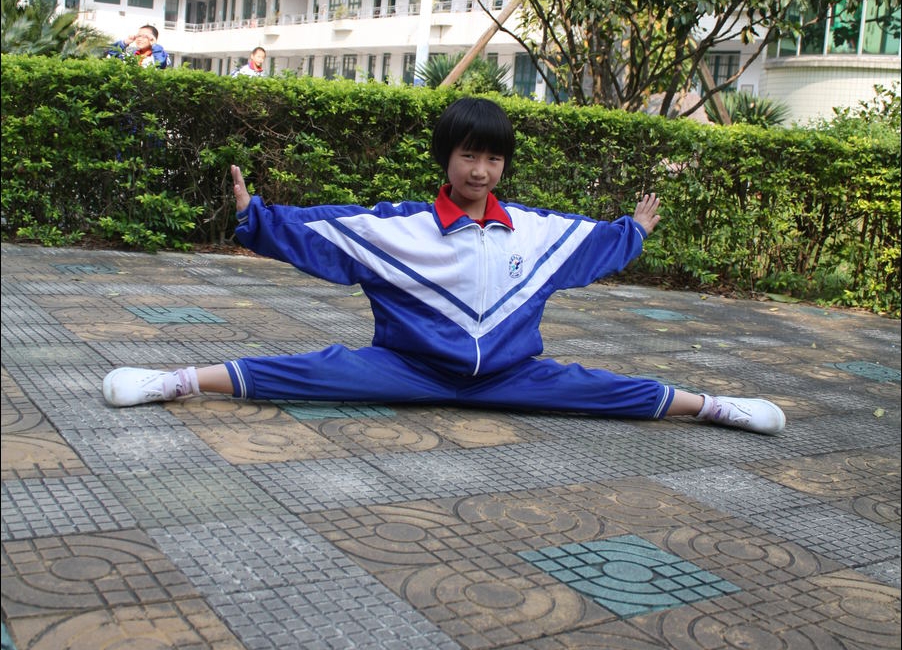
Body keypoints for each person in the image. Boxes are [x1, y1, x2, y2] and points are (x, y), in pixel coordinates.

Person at [102, 97, 785, 434]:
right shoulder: (402, 228)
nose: (480, 170)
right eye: (467, 156)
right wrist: (258, 217)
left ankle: (715, 408)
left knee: (605, 390)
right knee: (309, 372)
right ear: (446, 159)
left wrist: (632, 231)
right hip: (407, 370)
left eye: (492, 158)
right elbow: (326, 232)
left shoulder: (534, 232)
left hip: (512, 377)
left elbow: (591, 245)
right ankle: (176, 382)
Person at [106, 24, 171, 68]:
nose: (140, 39)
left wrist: (154, 45)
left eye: (144, 36)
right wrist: (125, 42)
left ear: (152, 38)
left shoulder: (160, 55)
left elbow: (160, 64)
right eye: (138, 36)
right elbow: (112, 54)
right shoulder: (131, 55)